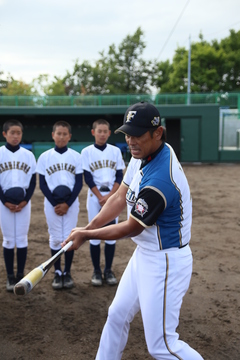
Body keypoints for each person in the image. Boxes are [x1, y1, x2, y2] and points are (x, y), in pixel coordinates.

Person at [62, 102, 204, 359]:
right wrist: (88, 225)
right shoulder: (144, 154)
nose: (131, 140)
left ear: (157, 133)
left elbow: (131, 227)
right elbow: (120, 196)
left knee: (162, 345)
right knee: (116, 315)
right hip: (145, 255)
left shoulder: (162, 178)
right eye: (128, 133)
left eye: (137, 134)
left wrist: (86, 236)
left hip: (166, 261)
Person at [36, 121, 83, 290]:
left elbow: (79, 183)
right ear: (53, 135)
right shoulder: (44, 157)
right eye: (59, 133)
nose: (61, 137)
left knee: (69, 237)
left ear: (69, 136)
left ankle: (67, 272)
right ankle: (57, 272)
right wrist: (56, 203)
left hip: (71, 203)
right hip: (51, 203)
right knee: (56, 237)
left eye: (65, 134)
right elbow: (42, 184)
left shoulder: (76, 156)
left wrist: (67, 204)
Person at [81, 119, 125, 286]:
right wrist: (100, 196)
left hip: (112, 197)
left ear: (109, 132)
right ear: (93, 132)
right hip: (95, 197)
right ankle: (96, 271)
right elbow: (88, 177)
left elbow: (120, 176)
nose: (102, 134)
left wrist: (110, 196)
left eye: (105, 131)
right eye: (99, 131)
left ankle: (108, 269)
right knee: (94, 234)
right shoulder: (86, 152)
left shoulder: (115, 151)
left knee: (111, 235)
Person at [0, 119, 37, 292]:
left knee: (21, 238)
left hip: (24, 203)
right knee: (8, 239)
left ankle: (21, 275)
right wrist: (4, 201)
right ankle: (9, 276)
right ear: (5, 134)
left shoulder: (28, 155)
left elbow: (32, 181)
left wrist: (25, 200)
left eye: (19, 133)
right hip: (3, 203)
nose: (16, 136)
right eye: (12, 132)